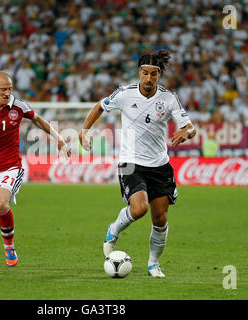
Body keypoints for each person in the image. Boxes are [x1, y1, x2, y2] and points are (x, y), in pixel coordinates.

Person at [79, 50, 196, 278]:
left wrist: (186, 132)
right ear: (139, 73)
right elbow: (100, 106)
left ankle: (153, 264)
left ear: (159, 75)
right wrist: (84, 131)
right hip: (131, 162)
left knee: (160, 219)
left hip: (160, 166)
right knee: (139, 208)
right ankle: (114, 230)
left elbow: (190, 126)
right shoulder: (124, 94)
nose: (149, 78)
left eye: (153, 74)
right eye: (145, 73)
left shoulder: (168, 98)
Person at [0, 71, 71, 270]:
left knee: (0, 203)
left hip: (11, 167)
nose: (7, 93)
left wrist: (59, 139)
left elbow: (38, 120)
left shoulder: (18, 106)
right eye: (3, 89)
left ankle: (9, 247)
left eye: (10, 88)